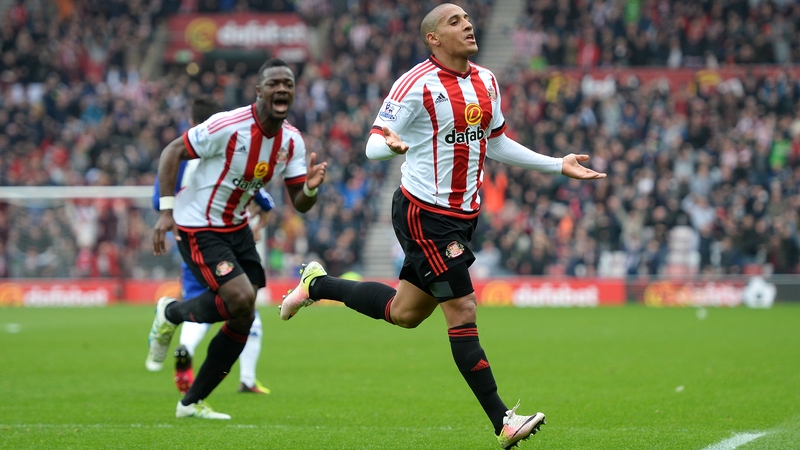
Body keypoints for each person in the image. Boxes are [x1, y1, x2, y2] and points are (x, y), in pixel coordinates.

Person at [280, 4, 606, 448]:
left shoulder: (486, 80)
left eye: (467, 18)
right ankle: (503, 421)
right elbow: (373, 144)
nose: (467, 24)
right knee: (463, 308)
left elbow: (496, 143)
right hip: (424, 213)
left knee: (405, 313)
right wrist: (391, 145)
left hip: (462, 217)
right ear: (433, 38)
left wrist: (556, 164)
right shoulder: (415, 83)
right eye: (455, 21)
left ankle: (316, 285)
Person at [147, 58, 327, 420]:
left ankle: (190, 402)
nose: (282, 89)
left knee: (244, 315)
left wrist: (309, 188)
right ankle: (170, 312)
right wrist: (166, 211)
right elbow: (172, 152)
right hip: (198, 225)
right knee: (241, 297)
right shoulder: (227, 126)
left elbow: (300, 202)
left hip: (236, 226)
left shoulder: (291, 140)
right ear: (259, 91)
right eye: (274, 83)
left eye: (288, 84)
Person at [147, 95, 274, 396]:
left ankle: (185, 347)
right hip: (216, 240)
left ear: (192, 122)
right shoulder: (224, 149)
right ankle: (246, 377)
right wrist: (260, 211)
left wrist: (169, 214)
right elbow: (256, 191)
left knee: (214, 301)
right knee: (243, 304)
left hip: (195, 242)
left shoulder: (184, 154)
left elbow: (157, 199)